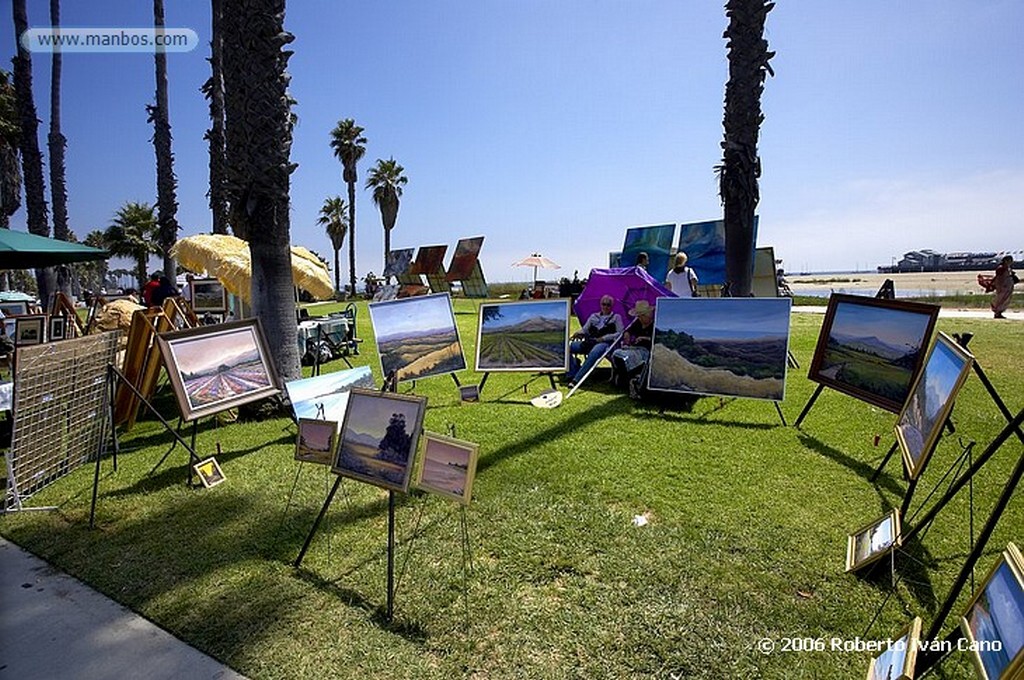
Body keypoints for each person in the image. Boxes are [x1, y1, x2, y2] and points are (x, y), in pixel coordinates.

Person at [567, 295, 624, 386]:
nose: (605, 306)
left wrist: (604, 338)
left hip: (605, 344)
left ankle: (576, 380)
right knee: (567, 347)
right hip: (590, 341)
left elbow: (620, 333)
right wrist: (578, 333)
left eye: (608, 305)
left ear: (612, 306)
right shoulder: (594, 316)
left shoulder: (616, 317)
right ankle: (572, 372)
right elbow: (585, 329)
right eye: (603, 304)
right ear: (600, 305)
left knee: (594, 352)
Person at [610, 299, 655, 388]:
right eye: (639, 316)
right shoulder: (638, 323)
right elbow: (629, 330)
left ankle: (625, 379)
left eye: (642, 316)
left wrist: (645, 338)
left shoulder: (654, 325)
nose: (640, 318)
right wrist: (627, 334)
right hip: (635, 348)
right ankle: (622, 377)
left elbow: (657, 339)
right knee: (618, 354)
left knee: (628, 357)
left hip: (647, 350)